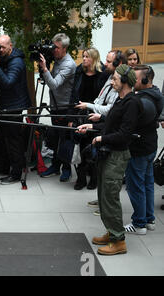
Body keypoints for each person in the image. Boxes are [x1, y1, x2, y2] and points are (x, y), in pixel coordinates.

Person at [77, 64, 139, 255]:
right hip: (108, 153)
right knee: (104, 196)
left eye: (115, 79)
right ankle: (111, 232)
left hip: (117, 156)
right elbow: (110, 125)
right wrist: (91, 127)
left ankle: (118, 240)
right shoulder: (120, 101)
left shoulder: (132, 103)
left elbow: (124, 134)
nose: (112, 82)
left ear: (125, 82)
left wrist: (101, 138)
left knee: (111, 198)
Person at [76, 50, 125, 211]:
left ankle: (107, 206)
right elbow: (100, 99)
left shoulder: (121, 86)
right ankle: (101, 200)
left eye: (109, 62)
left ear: (118, 64)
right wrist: (94, 111)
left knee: (108, 173)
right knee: (98, 165)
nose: (106, 64)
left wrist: (90, 107)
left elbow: (111, 109)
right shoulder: (110, 78)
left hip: (108, 131)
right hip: (98, 121)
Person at [123, 65, 163, 235]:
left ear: (146, 80)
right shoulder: (155, 94)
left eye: (136, 79)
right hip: (150, 145)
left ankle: (139, 223)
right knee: (147, 183)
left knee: (135, 185)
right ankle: (149, 219)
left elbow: (133, 121)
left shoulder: (144, 100)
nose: (133, 82)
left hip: (140, 148)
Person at [0, 35, 31, 184]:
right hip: (6, 103)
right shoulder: (4, 58)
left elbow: (7, 82)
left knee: (13, 140)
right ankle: (3, 167)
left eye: (3, 47)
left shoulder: (16, 62)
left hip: (14, 106)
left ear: (10, 46)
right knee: (3, 137)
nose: (0, 50)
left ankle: (16, 173)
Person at [39, 33, 77, 182]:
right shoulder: (55, 58)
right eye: (53, 46)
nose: (54, 50)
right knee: (55, 138)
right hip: (55, 105)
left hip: (64, 107)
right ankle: (55, 165)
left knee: (65, 138)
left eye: (57, 48)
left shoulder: (69, 64)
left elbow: (54, 84)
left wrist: (45, 69)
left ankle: (66, 169)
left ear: (65, 48)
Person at [68, 48, 106, 190]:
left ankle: (94, 178)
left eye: (87, 57)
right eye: (83, 56)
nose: (83, 59)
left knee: (92, 148)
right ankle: (81, 179)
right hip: (80, 115)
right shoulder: (79, 72)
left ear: (94, 59)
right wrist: (70, 116)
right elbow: (73, 95)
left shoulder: (102, 75)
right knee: (80, 147)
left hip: (95, 115)